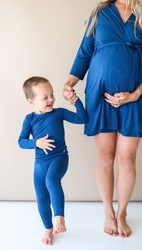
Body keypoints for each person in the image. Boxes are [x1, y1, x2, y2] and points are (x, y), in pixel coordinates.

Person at [63, 0, 142, 238]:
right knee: (106, 157)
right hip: (100, 94)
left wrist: (135, 94)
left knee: (127, 159)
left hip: (135, 98)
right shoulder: (99, 13)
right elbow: (84, 52)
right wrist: (69, 84)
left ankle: (122, 213)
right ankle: (108, 211)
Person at [18, 76, 88, 245]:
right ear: (31, 101)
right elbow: (21, 141)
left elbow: (82, 119)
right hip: (40, 162)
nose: (51, 99)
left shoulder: (59, 113)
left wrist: (76, 100)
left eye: (52, 94)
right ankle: (49, 229)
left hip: (59, 157)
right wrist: (37, 142)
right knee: (41, 196)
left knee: (51, 179)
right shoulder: (30, 119)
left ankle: (59, 217)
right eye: (45, 97)